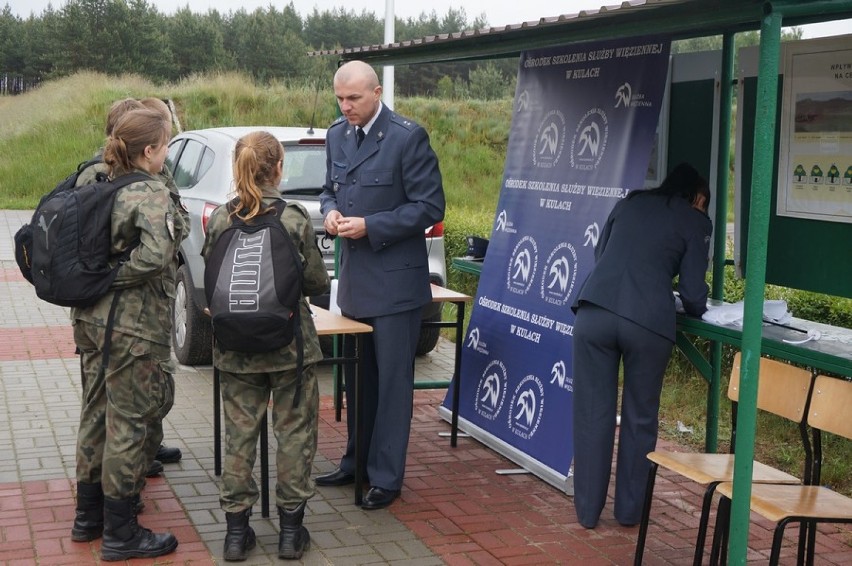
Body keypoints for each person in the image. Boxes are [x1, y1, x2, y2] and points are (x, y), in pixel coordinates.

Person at [317, 60, 446, 510]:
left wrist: (372, 225)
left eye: (353, 98)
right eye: (339, 98)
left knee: (392, 386)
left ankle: (387, 477)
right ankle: (356, 462)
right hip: (355, 282)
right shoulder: (337, 134)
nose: (345, 106)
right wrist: (330, 212)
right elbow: (328, 188)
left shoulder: (408, 137)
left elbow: (430, 206)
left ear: (376, 92)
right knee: (358, 381)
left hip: (395, 287)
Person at [201, 131, 330, 561]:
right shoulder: (292, 218)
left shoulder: (221, 217)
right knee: (293, 434)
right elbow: (314, 281)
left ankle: (236, 535)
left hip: (235, 349)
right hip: (290, 347)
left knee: (239, 437)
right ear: (279, 168)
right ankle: (291, 534)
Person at [571, 162, 712, 529]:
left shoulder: (630, 203)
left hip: (595, 311)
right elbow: (695, 295)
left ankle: (587, 512)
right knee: (639, 418)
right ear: (698, 197)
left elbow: (602, 255)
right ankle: (629, 513)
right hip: (647, 323)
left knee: (592, 414)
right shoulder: (693, 220)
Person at [70, 108, 184, 560]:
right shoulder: (149, 191)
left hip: (90, 321)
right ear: (150, 151)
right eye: (166, 145)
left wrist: (99, 279)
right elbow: (157, 256)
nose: (167, 153)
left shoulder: (94, 182)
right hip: (133, 326)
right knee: (128, 423)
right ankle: (120, 532)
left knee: (95, 414)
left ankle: (87, 517)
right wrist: (116, 276)